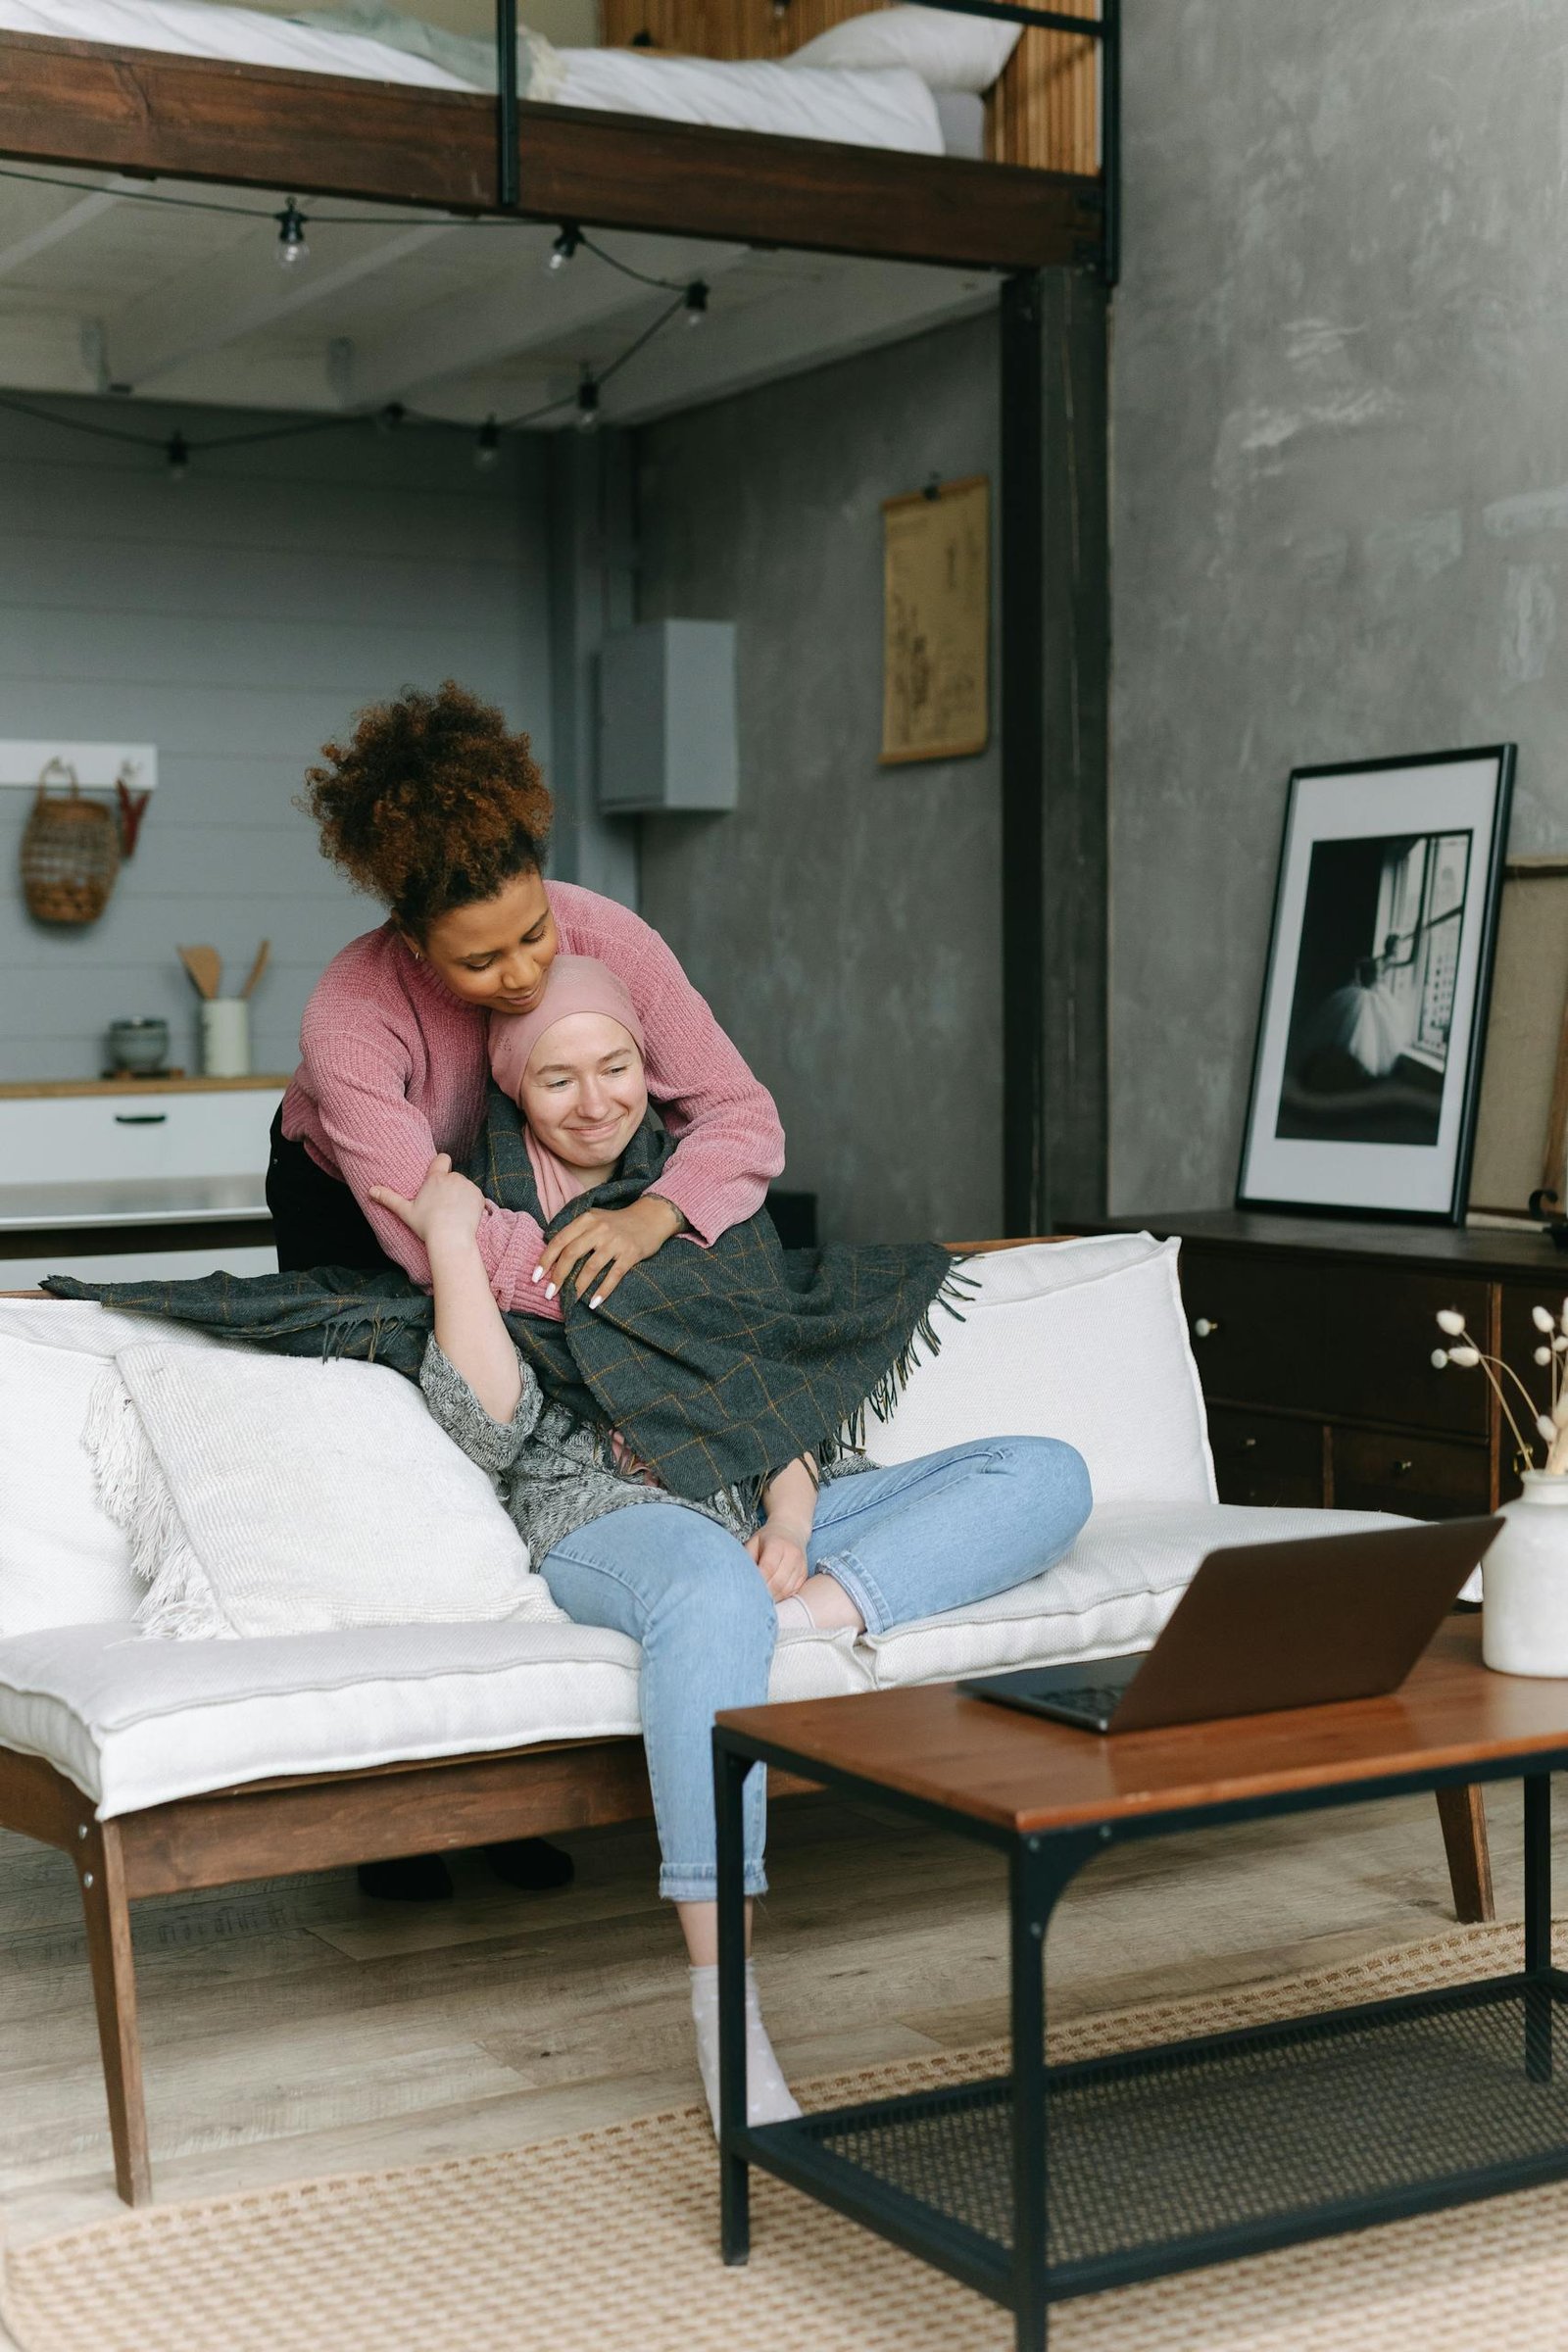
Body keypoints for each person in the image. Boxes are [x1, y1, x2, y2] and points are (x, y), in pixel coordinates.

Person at [369, 956, 1094, 2134]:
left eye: (616, 1068)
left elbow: (776, 1390)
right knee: (707, 1594)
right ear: (514, 1087)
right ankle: (727, 2003)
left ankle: (813, 1614)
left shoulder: (701, 1202)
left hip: (768, 1490)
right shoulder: (497, 1226)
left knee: (1044, 1473)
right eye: (559, 1078)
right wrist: (454, 1241)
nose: (596, 1100)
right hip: (611, 1503)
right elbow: (485, 1429)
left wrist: (797, 1527)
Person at [266, 681, 786, 1900]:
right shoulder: (349, 1013)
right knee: (404, 1460)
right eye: (478, 957)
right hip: (365, 1212)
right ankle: (392, 1824)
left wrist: (661, 1215)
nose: (521, 972)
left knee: (516, 1470)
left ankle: (498, 1794)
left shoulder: (612, 933)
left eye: (534, 936)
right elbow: (425, 1238)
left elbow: (738, 1115)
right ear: (408, 936)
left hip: (557, 1200)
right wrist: (634, 1296)